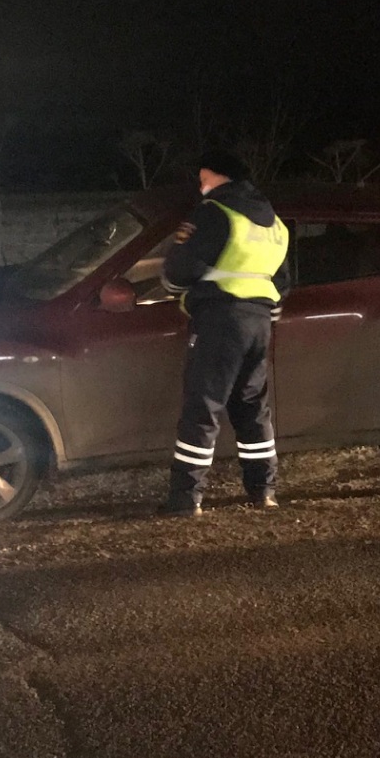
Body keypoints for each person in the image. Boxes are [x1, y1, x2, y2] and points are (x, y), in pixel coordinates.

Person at [157, 149, 290, 516]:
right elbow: (282, 281)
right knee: (252, 406)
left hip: (220, 320)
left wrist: (174, 285)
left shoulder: (215, 213)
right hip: (260, 324)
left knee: (204, 406)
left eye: (205, 178)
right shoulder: (274, 223)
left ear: (222, 177)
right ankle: (263, 491)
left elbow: (180, 268)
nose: (201, 186)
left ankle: (186, 498)